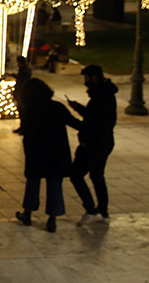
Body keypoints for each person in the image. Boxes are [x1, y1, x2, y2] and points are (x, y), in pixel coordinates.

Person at [15, 78, 82, 233]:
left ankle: (28, 213)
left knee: (33, 183)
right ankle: (52, 220)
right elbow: (75, 124)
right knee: (54, 186)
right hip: (56, 153)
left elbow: (28, 133)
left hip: (37, 153)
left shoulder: (31, 110)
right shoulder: (57, 107)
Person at [69, 64, 117, 226]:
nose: (85, 81)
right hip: (104, 142)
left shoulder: (101, 97)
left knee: (76, 175)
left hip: (94, 144)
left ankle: (91, 210)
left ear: (94, 77)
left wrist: (85, 140)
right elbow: (93, 117)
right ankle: (103, 212)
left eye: (87, 78)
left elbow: (95, 122)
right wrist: (79, 109)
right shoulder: (104, 94)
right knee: (97, 176)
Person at [12, 55, 33, 134]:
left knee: (23, 112)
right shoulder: (25, 69)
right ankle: (22, 127)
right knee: (21, 111)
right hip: (21, 92)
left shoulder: (25, 71)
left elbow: (21, 80)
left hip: (23, 93)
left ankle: (24, 128)